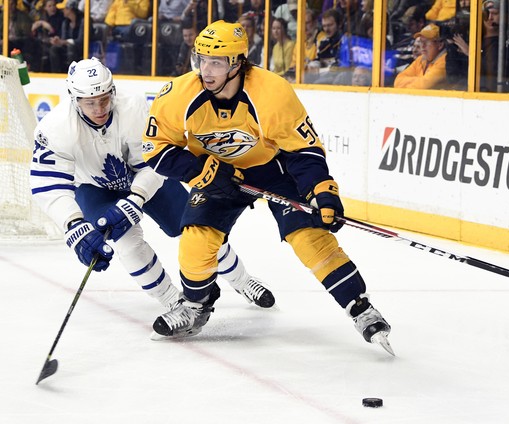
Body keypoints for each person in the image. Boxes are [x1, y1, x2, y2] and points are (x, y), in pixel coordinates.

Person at [142, 20, 394, 355]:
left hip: (273, 170)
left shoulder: (271, 92)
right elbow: (155, 148)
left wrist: (322, 189)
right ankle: (195, 305)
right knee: (195, 239)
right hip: (217, 172)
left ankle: (360, 308)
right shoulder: (178, 95)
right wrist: (201, 171)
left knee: (310, 238)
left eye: (216, 62)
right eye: (201, 59)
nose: (206, 70)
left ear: (238, 64)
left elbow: (302, 150)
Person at [30, 58, 276, 333]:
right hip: (95, 187)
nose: (99, 108)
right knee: (126, 243)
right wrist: (74, 226)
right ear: (74, 99)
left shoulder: (133, 106)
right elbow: (48, 184)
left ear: (112, 91)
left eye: (103, 99)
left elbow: (153, 161)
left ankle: (242, 280)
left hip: (145, 178)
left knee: (197, 227)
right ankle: (174, 303)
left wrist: (136, 198)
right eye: (90, 102)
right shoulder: (54, 127)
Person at [393, 23, 447, 89]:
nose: (423, 46)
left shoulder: (444, 61)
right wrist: (420, 80)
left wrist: (409, 82)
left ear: (440, 45)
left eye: (427, 42)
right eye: (421, 41)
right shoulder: (420, 59)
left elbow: (423, 86)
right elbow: (397, 81)